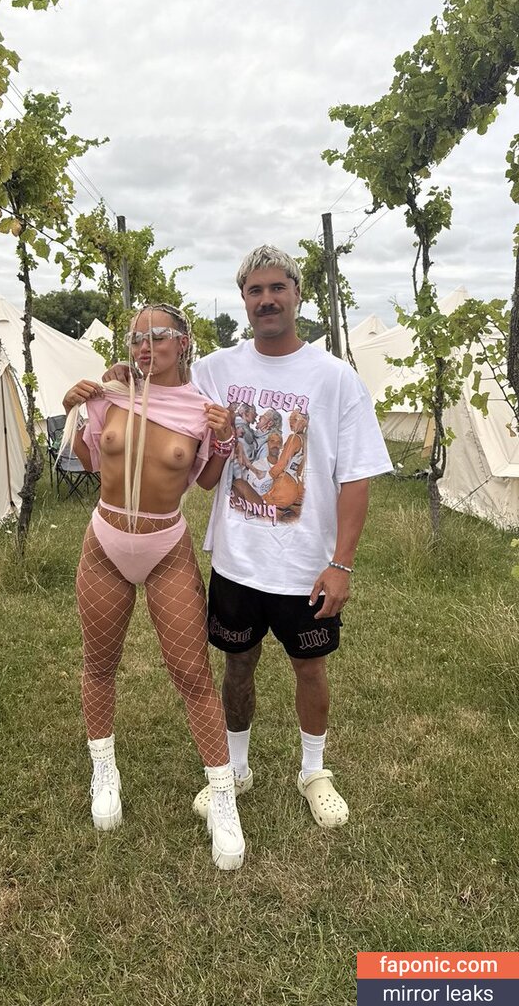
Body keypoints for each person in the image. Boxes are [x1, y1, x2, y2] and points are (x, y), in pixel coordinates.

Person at [186, 245, 392, 827]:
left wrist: (341, 564)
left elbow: (355, 478)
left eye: (278, 288)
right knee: (237, 665)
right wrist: (120, 376)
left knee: (310, 668)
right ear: (243, 300)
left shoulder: (335, 379)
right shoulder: (216, 370)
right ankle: (236, 769)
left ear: (298, 294)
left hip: (305, 567)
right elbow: (165, 383)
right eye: (255, 290)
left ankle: (313, 771)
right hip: (237, 561)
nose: (267, 299)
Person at [61, 303, 245, 871]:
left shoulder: (200, 409)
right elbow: (90, 460)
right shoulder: (111, 395)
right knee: (99, 664)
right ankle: (104, 770)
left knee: (192, 674)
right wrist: (73, 409)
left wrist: (225, 440)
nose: (146, 346)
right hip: (105, 541)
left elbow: (206, 480)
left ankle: (222, 797)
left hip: (166, 546)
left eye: (159, 335)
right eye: (137, 337)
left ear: (183, 342)